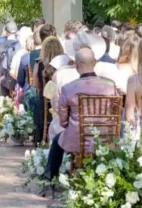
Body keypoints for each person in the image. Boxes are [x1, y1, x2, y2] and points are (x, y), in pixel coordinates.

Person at [43, 46, 118, 182]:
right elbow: (116, 111)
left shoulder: (69, 88)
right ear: (94, 63)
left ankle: (49, 178)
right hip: (106, 136)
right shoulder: (110, 85)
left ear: (76, 65)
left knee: (56, 141)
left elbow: (63, 120)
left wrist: (67, 125)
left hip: (78, 137)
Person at [32, 36, 66, 144]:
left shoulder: (39, 64)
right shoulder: (65, 65)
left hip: (44, 102)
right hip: (62, 101)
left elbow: (35, 84)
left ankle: (40, 138)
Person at [17, 25, 55, 90]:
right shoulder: (57, 55)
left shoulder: (26, 58)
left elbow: (20, 80)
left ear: (34, 40)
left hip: (34, 94)